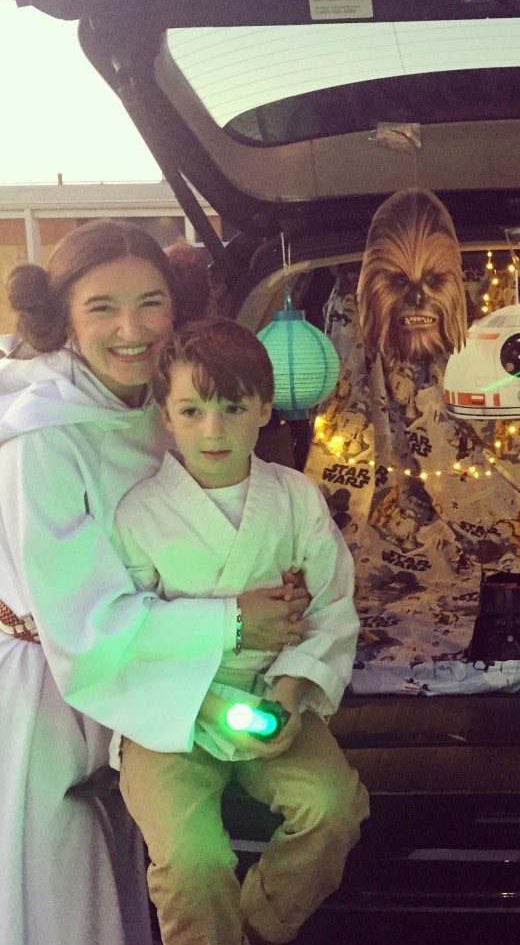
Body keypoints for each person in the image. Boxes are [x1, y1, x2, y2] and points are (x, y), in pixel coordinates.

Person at [0, 220, 309, 945]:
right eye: (102, 307)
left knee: (156, 871)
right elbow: (83, 618)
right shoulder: (43, 438)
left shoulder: (164, 405)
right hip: (60, 688)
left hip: (164, 672)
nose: (131, 330)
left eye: (151, 303)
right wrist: (232, 621)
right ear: (65, 316)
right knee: (69, 888)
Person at [114, 318, 370, 945]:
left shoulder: (295, 498)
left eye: (232, 407)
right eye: (192, 410)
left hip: (270, 687)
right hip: (171, 708)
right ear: (166, 416)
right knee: (191, 857)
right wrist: (200, 699)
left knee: (333, 809)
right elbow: (126, 627)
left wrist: (288, 695)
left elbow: (332, 604)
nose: (214, 429)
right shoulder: (139, 513)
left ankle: (259, 924)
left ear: (262, 408)